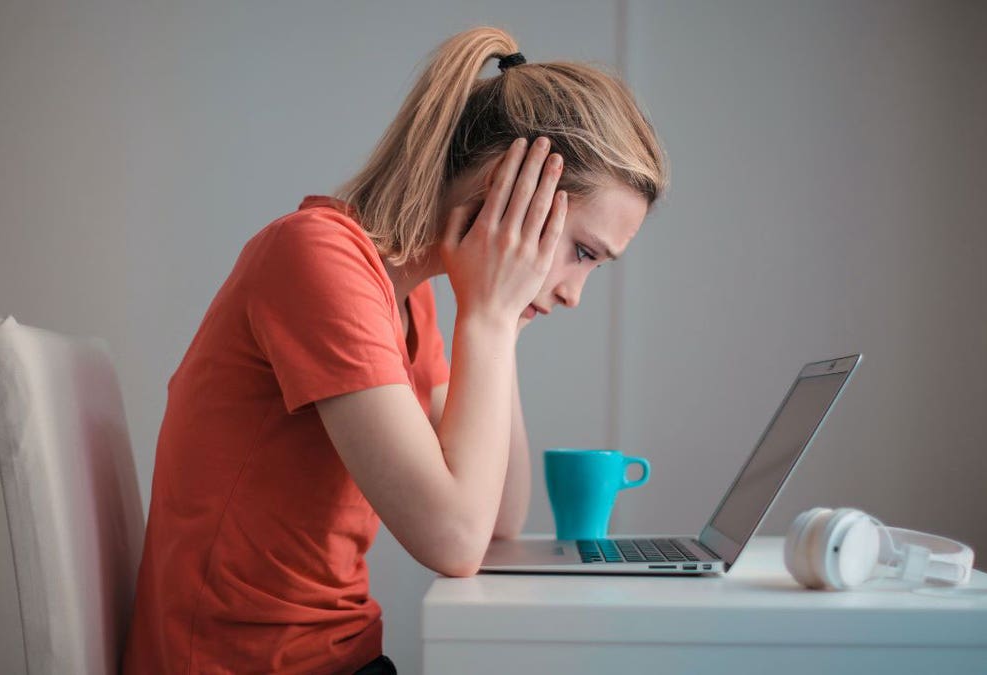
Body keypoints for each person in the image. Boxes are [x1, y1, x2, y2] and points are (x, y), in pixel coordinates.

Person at [122, 25, 667, 675]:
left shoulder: (408, 299)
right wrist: (490, 319)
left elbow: (496, 516)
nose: (577, 293)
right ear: (508, 189)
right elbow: (455, 540)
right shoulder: (317, 259)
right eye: (583, 252)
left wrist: (498, 319)